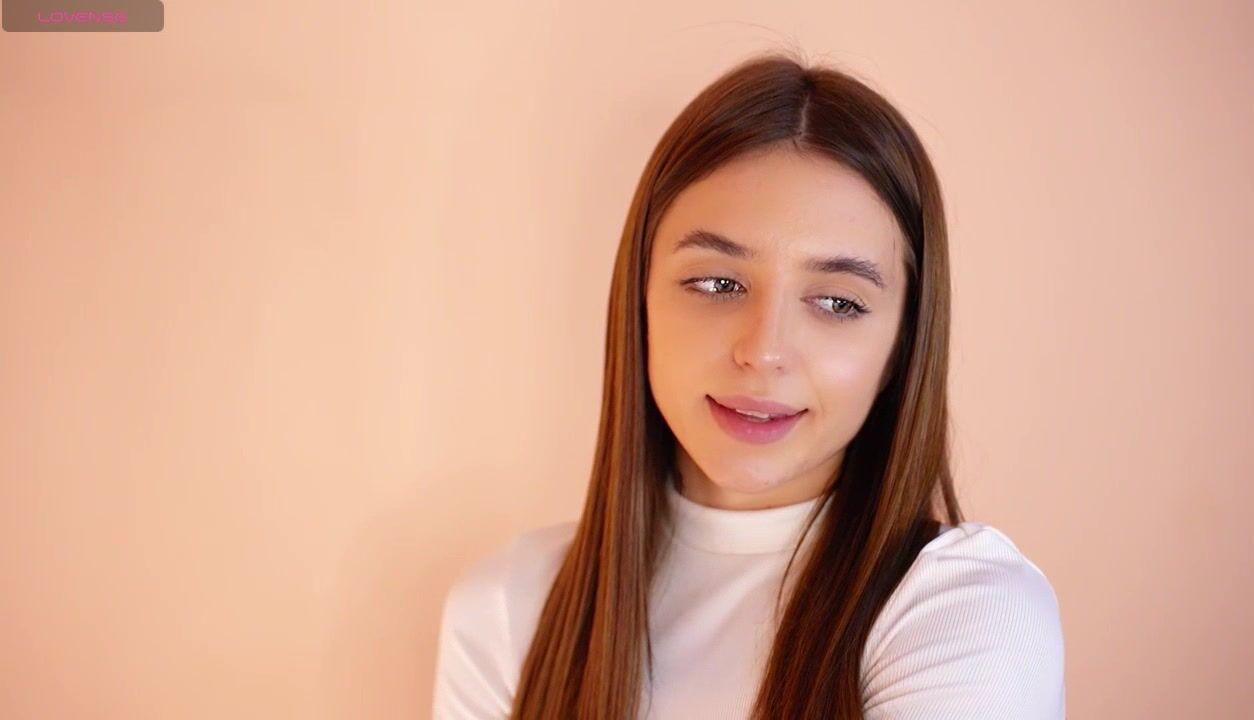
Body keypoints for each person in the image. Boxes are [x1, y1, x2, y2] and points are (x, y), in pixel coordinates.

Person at [431, 51, 1065, 719]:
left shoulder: (962, 611)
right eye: (717, 283)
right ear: (639, 303)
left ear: (901, 347)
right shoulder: (510, 608)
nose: (763, 352)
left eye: (838, 302)